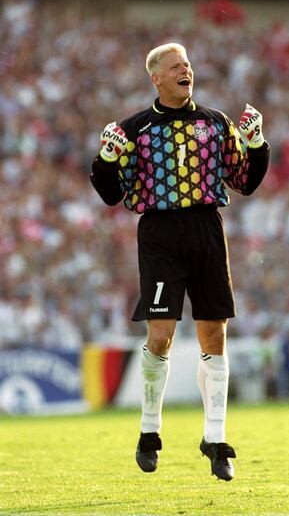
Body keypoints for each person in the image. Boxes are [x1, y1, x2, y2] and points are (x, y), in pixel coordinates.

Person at [90, 43, 270, 481]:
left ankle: (216, 440)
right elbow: (111, 192)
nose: (184, 70)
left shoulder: (215, 122)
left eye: (187, 64)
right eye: (175, 66)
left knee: (214, 333)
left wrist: (258, 144)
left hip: (207, 228)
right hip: (159, 234)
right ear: (156, 78)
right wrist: (107, 161)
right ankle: (149, 432)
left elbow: (244, 180)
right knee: (161, 334)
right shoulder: (133, 129)